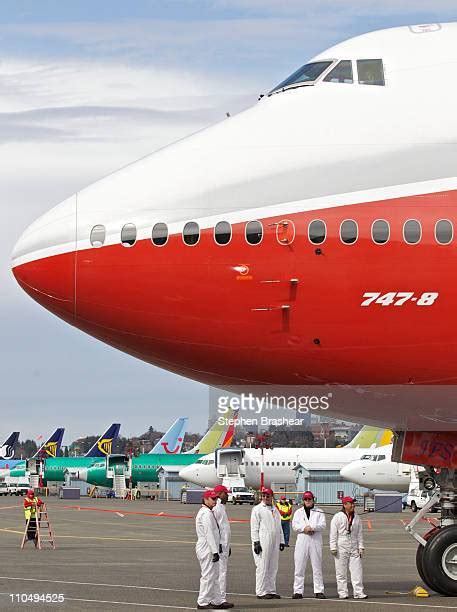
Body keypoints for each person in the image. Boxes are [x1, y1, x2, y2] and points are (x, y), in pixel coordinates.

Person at [195, 489, 233, 610]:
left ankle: (217, 600)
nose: (215, 501)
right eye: (212, 499)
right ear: (205, 499)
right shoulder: (205, 514)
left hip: (212, 547)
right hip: (207, 547)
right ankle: (202, 601)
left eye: (216, 499)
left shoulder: (209, 512)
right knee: (208, 575)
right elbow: (209, 533)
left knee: (215, 575)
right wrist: (215, 551)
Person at [329, 496, 367, 600]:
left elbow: (360, 533)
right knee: (341, 572)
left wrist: (361, 546)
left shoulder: (357, 517)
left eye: (353, 503)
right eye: (351, 503)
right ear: (345, 505)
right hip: (341, 544)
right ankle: (342, 592)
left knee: (357, 571)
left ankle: (358, 592)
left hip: (354, 544)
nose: (353, 505)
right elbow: (333, 533)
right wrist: (333, 547)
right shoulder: (337, 517)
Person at [250, 487, 285, 599]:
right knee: (263, 565)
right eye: (263, 495)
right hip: (263, 539)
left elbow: (279, 527)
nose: (265, 497)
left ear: (271, 497)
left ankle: (271, 589)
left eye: (267, 496)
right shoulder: (258, 509)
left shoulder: (275, 510)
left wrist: (282, 540)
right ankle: (261, 591)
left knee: (273, 566)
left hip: (274, 539)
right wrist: (256, 542)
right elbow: (254, 527)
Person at [292, 491, 326, 599]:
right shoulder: (298, 512)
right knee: (299, 566)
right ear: (303, 500)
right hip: (302, 539)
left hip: (315, 539)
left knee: (317, 566)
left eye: (309, 499)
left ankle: (319, 590)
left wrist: (312, 528)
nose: (307, 501)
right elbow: (295, 525)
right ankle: (298, 591)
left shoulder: (319, 512)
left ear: (313, 500)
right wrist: (304, 529)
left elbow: (323, 525)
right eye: (306, 499)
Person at [213, 485, 232, 606]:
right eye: (226, 493)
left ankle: (219, 598)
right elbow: (216, 527)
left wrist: (227, 545)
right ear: (220, 494)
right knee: (220, 572)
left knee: (221, 572)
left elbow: (224, 528)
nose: (228, 495)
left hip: (223, 545)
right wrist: (219, 544)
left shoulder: (221, 507)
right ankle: (220, 599)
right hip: (220, 545)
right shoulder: (217, 507)